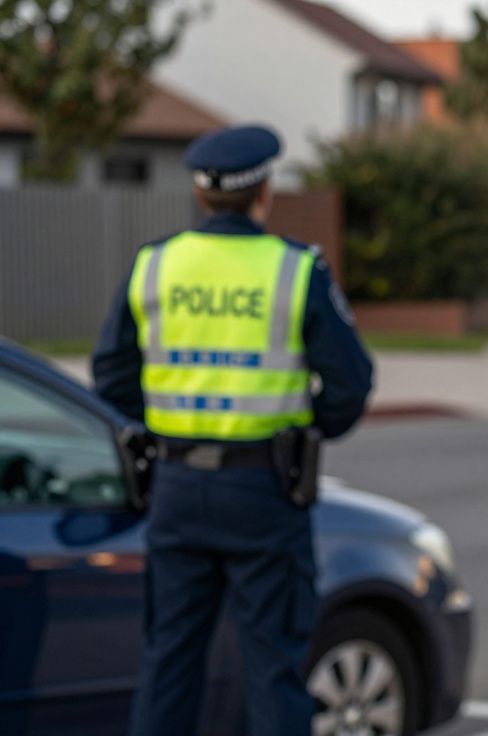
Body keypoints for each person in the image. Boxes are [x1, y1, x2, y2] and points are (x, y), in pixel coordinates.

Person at [92, 124, 373, 736]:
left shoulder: (154, 264)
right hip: (264, 492)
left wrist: (167, 423)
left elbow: (110, 376)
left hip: (172, 488)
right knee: (273, 668)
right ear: (262, 192)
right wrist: (308, 429)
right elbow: (350, 385)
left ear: (200, 193)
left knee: (169, 661)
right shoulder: (295, 270)